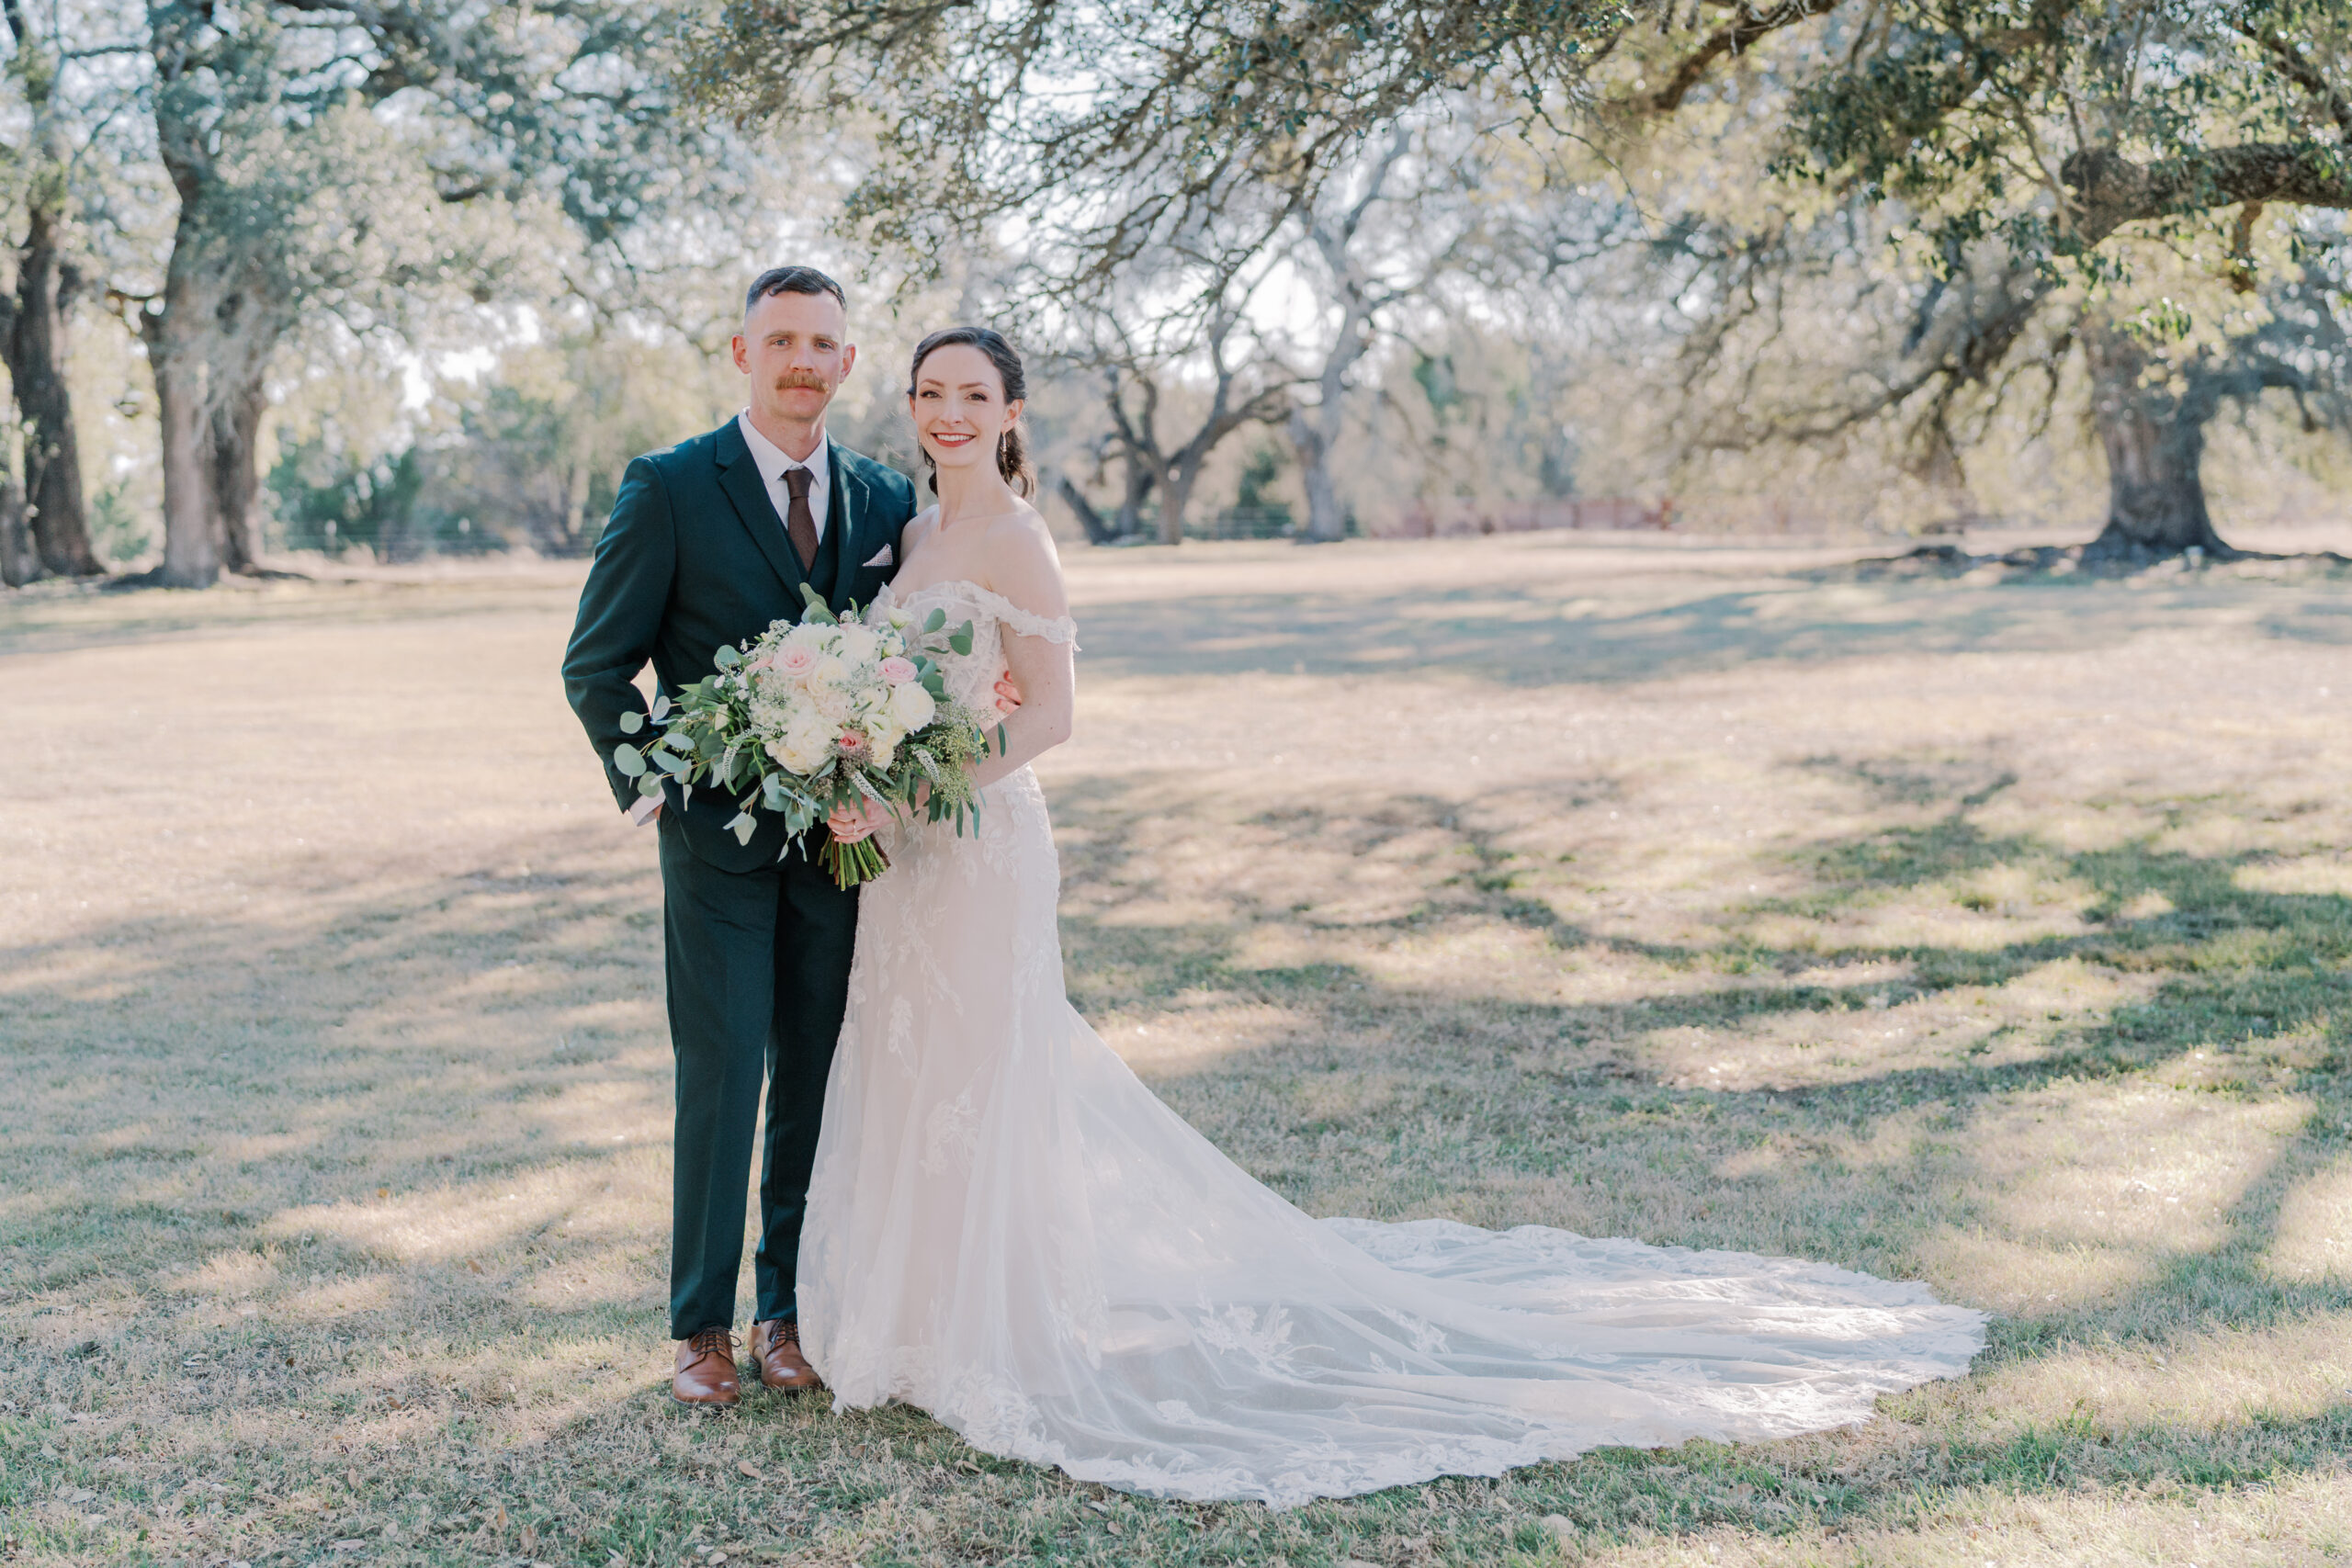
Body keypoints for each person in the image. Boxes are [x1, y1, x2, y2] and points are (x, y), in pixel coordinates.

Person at [800, 325, 1989, 1506]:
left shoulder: (1018, 538)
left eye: (972, 393)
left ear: (1014, 411)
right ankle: (919, 1325)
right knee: (917, 1065)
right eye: (929, 392)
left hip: (984, 840)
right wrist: (868, 779)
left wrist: (925, 784)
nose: (947, 412)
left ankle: (998, 1328)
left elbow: (1053, 714)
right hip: (911, 856)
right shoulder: (914, 531)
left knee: (988, 1072)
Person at [561, 266, 919, 1405]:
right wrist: (652, 787)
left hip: (842, 844)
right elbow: (596, 664)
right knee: (720, 1072)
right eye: (782, 341)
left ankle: (788, 1315)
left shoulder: (884, 499)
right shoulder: (668, 486)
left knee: (816, 1074)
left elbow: (907, 655)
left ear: (848, 362)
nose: (803, 360)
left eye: (823, 342)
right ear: (740, 352)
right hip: (711, 841)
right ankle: (699, 1330)